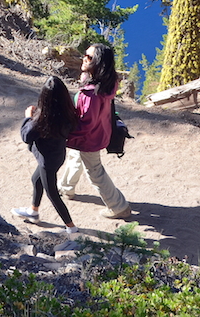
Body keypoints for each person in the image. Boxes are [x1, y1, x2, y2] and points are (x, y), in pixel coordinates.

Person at [57, 43, 133, 219]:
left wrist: (65, 135)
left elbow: (86, 125)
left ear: (98, 62)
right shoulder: (106, 82)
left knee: (95, 172)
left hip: (89, 138)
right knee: (75, 157)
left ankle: (118, 206)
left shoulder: (91, 94)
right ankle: (67, 187)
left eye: (89, 57)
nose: (84, 58)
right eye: (85, 55)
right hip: (100, 132)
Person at [11, 76, 81, 235]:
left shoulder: (41, 119)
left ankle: (71, 228)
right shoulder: (67, 115)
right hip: (57, 156)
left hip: (46, 162)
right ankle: (33, 211)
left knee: (53, 194)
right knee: (35, 179)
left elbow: (26, 136)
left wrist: (28, 117)